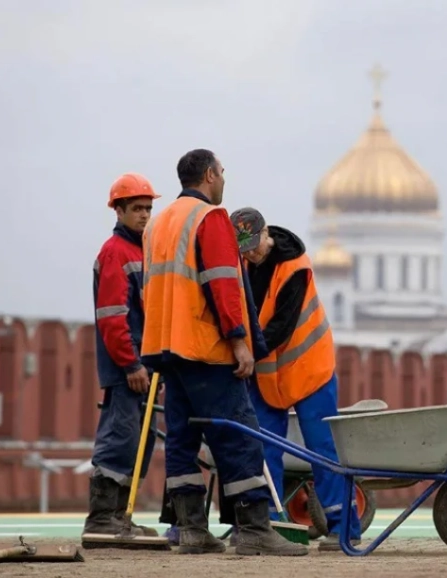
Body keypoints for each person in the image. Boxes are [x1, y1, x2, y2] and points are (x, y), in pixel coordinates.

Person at [139, 148, 307, 557]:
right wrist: (238, 340)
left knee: (181, 438)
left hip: (165, 347)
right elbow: (222, 283)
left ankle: (193, 530)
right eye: (222, 171)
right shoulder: (210, 218)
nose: (224, 178)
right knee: (238, 434)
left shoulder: (157, 225)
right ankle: (253, 529)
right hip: (204, 348)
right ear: (210, 175)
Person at [228, 206, 362, 552]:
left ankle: (343, 528)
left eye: (254, 245)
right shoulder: (242, 265)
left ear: (266, 234)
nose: (251, 253)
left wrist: (243, 353)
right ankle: (271, 526)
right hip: (269, 373)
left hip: (309, 368)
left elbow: (280, 327)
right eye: (243, 249)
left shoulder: (295, 268)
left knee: (323, 448)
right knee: (263, 447)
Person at [84, 173, 162, 540]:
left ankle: (121, 518)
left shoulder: (142, 251)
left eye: (148, 208)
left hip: (144, 366)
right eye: (137, 209)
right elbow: (113, 317)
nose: (145, 215)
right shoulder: (116, 252)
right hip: (126, 368)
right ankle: (102, 518)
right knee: (120, 437)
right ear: (119, 210)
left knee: (139, 441)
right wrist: (130, 364)